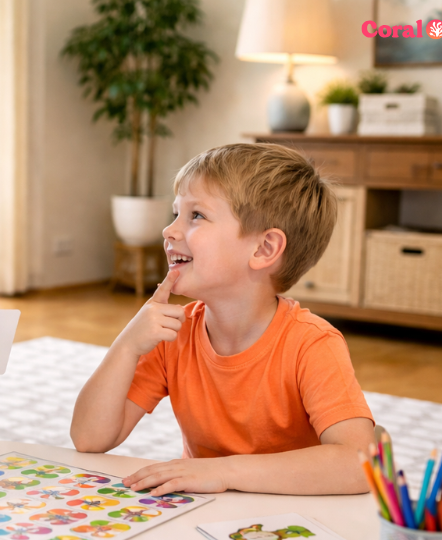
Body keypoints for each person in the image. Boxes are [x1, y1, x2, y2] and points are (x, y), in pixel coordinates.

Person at [71, 143, 375, 496]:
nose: (169, 231)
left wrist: (224, 472)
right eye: (175, 214)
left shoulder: (312, 344)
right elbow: (89, 438)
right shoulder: (175, 333)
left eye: (196, 215)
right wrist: (126, 345)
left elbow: (360, 463)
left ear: (264, 249)